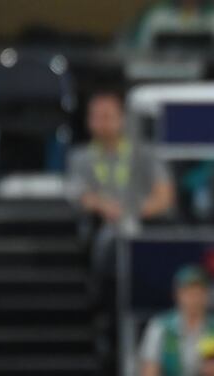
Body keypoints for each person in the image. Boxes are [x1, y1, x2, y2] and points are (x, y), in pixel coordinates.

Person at [67, 92, 175, 285]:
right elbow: (80, 195)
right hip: (101, 228)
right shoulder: (80, 157)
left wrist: (131, 213)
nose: (102, 123)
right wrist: (105, 207)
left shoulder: (145, 154)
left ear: (122, 119)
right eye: (96, 117)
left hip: (143, 225)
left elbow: (164, 196)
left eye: (107, 116)